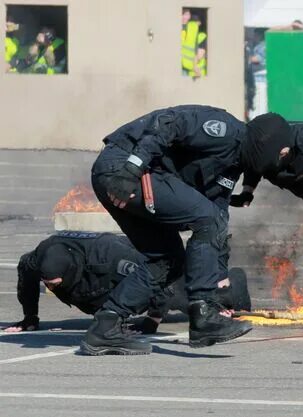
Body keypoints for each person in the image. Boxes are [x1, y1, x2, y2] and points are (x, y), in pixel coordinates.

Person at [83, 105, 257, 355]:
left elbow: (218, 215)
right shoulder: (224, 128)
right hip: (123, 168)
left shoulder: (234, 162)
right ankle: (202, 314)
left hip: (126, 173)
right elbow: (168, 123)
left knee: (167, 259)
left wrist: (220, 276)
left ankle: (106, 326)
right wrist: (132, 168)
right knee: (203, 219)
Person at [2, 232, 251, 334]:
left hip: (138, 262)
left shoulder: (110, 259)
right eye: (49, 284)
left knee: (185, 296)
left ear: (70, 270)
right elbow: (26, 279)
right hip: (100, 289)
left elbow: (160, 283)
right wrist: (30, 319)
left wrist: (151, 322)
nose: (52, 289)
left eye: (55, 284)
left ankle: (227, 287)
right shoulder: (37, 260)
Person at [181, 9, 207, 78]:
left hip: (196, 73)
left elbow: (199, 54)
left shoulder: (202, 36)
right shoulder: (187, 32)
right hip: (185, 69)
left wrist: (194, 65)